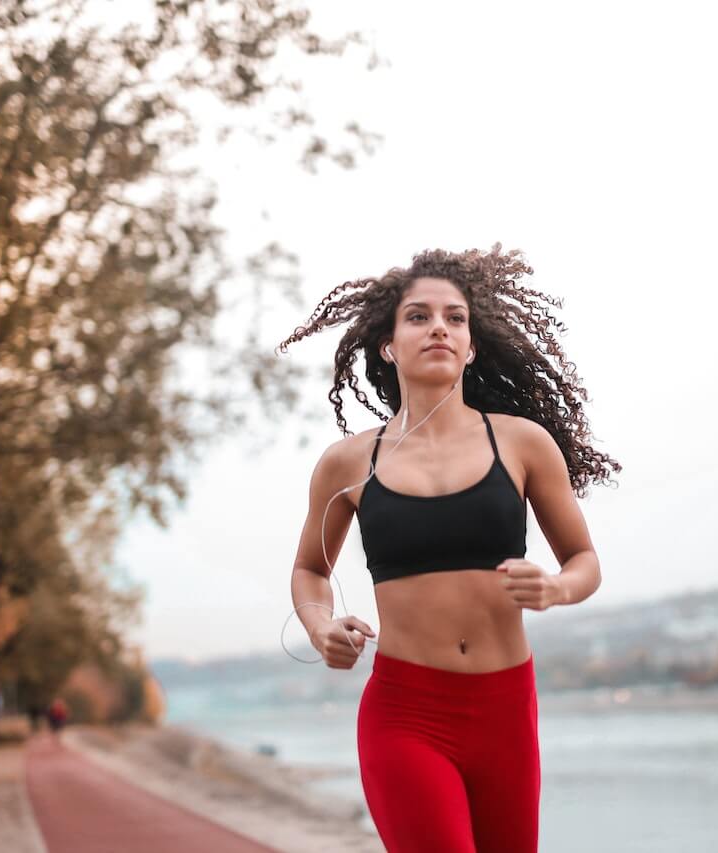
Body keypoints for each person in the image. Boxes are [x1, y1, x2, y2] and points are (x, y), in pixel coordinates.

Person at [279, 245, 620, 853]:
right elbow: (310, 568)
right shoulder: (348, 463)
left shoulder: (522, 444)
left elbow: (584, 561)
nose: (439, 326)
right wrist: (318, 625)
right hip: (405, 714)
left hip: (505, 711)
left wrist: (556, 587)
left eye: (455, 317)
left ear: (471, 346)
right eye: (418, 316)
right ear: (387, 344)